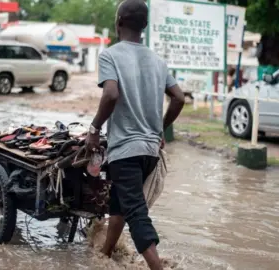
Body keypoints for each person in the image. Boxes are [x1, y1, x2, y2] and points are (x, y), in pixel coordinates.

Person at [85, 0, 185, 269]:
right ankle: (105, 255)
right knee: (119, 204)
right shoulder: (157, 60)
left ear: (118, 23)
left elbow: (111, 94)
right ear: (144, 27)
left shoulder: (110, 55)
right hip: (150, 152)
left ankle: (156, 267)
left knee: (136, 213)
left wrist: (94, 129)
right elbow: (178, 98)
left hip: (126, 152)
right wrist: (160, 129)